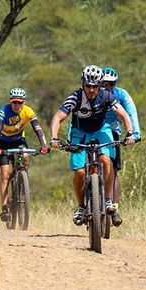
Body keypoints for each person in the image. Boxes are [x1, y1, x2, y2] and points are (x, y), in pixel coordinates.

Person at [49, 65, 136, 226]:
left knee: (106, 159)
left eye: (95, 86)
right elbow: (58, 118)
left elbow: (124, 114)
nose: (91, 89)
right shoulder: (75, 97)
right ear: (83, 84)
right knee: (80, 172)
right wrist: (54, 138)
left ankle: (108, 200)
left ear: (99, 85)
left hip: (101, 130)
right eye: (88, 85)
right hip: (80, 132)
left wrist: (130, 133)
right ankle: (81, 207)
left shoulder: (106, 96)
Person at [0, 87, 49, 222]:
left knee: (25, 157)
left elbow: (38, 129)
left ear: (24, 102)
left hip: (18, 140)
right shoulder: (3, 111)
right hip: (3, 142)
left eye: (20, 102)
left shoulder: (28, 111)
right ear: (10, 101)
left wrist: (44, 146)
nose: (17, 105)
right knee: (5, 174)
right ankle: (4, 207)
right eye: (14, 102)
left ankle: (23, 180)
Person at [100, 66, 141, 227]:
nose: (108, 87)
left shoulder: (121, 94)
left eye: (111, 84)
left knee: (113, 170)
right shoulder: (92, 94)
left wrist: (134, 133)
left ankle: (114, 208)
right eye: (105, 83)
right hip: (91, 131)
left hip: (113, 133)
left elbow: (131, 113)